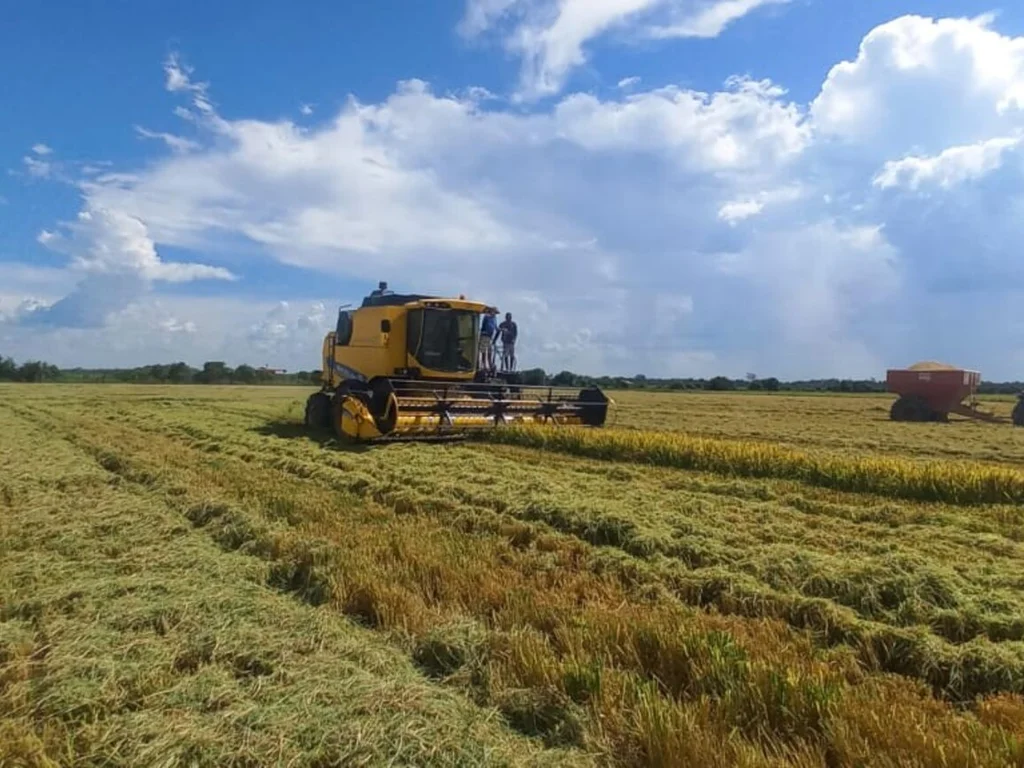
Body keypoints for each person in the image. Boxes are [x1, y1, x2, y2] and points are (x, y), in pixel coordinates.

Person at [479, 307, 498, 373]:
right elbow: (483, 326)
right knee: (484, 351)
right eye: (494, 312)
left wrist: (500, 330)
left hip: (490, 337)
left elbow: (495, 327)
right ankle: (483, 365)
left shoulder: (494, 318)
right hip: (485, 335)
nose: (494, 313)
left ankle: (490, 365)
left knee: (490, 351)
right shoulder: (487, 317)